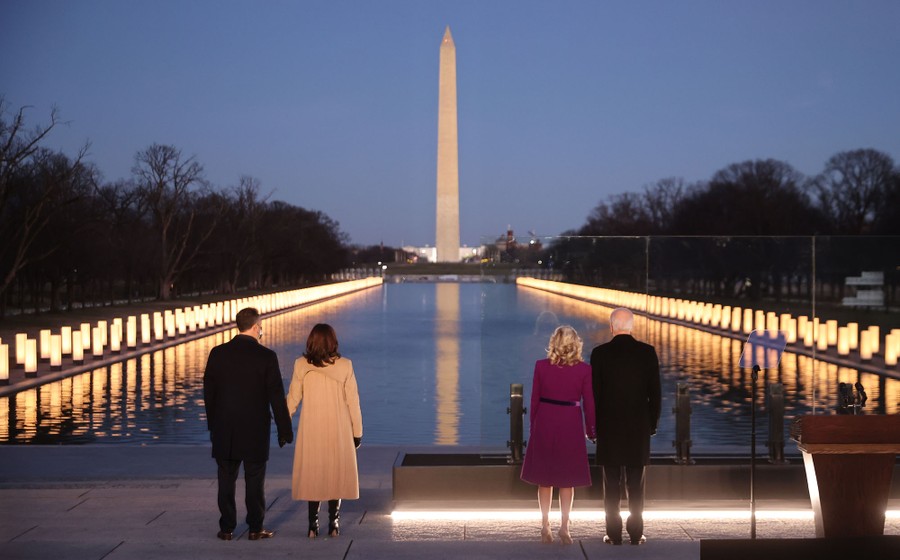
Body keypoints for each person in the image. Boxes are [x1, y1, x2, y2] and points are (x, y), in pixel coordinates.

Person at [203, 307, 293, 541]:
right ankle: (255, 527)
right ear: (255, 327)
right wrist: (285, 431)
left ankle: (227, 528)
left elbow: (209, 393)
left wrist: (213, 424)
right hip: (254, 429)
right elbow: (276, 396)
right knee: (254, 481)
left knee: (226, 479)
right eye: (260, 326)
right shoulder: (266, 356)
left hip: (225, 428)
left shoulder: (217, 353)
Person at [590, 307, 661, 546]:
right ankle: (636, 533)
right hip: (637, 428)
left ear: (611, 327)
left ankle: (613, 533)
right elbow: (656, 394)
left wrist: (593, 426)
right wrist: (651, 424)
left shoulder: (599, 354)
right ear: (632, 326)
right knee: (636, 484)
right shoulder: (647, 353)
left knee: (611, 484)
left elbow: (594, 395)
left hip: (609, 429)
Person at [520, 325, 596, 545]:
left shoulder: (541, 366)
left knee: (544, 479)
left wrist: (533, 426)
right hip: (570, 422)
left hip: (545, 420)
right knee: (567, 479)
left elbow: (534, 399)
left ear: (554, 342)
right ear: (576, 344)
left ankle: (545, 525)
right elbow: (589, 404)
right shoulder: (584, 370)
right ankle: (565, 527)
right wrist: (591, 430)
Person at [286, 323, 363, 539]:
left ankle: (312, 525)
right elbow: (353, 403)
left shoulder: (301, 365)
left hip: (312, 428)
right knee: (334, 474)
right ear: (333, 341)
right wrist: (357, 432)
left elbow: (293, 399)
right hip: (338, 429)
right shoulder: (346, 366)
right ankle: (334, 523)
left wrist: (283, 423)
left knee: (314, 475)